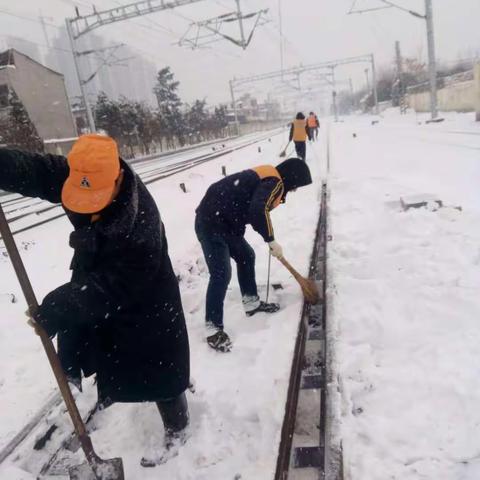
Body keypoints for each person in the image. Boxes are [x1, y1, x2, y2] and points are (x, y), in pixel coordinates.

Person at [0, 135, 190, 466]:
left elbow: (116, 286)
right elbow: (35, 170)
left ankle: (178, 427)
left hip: (146, 295)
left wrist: (61, 305)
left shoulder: (141, 225)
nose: (88, 206)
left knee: (161, 365)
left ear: (116, 179)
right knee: (86, 337)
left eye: (96, 199)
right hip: (97, 272)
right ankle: (80, 385)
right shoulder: (84, 172)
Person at [195, 158, 313, 352]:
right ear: (292, 178)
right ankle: (212, 328)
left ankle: (251, 303)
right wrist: (270, 239)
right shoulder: (275, 182)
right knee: (221, 273)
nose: (293, 190)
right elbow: (258, 210)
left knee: (246, 256)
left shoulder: (270, 178)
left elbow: (249, 207)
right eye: (295, 186)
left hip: (224, 222)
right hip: (210, 223)